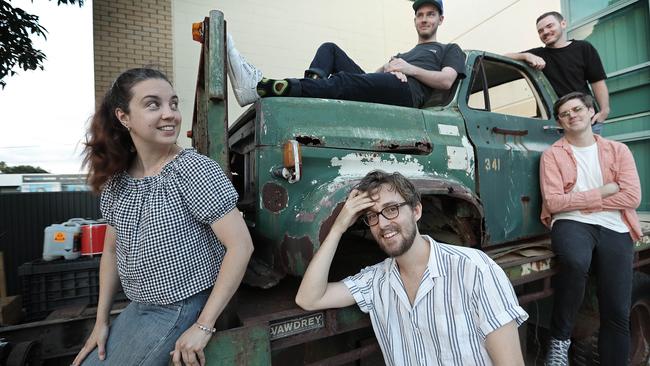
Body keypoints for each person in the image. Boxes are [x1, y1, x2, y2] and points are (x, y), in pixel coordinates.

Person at [72, 68, 254, 366]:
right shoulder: (118, 181)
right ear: (123, 117)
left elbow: (241, 246)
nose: (170, 114)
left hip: (180, 308)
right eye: (153, 104)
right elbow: (111, 250)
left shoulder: (194, 170)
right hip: (139, 306)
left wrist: (203, 325)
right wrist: (100, 321)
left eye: (173, 103)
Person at [295, 170, 529, 366]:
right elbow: (309, 298)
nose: (383, 223)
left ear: (416, 210)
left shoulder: (474, 269)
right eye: (372, 216)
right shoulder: (376, 280)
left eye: (391, 209)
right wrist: (338, 227)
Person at [539, 92, 642, 365]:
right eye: (565, 113)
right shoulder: (552, 156)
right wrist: (603, 192)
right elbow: (553, 202)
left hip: (614, 225)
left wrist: (581, 201)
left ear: (590, 111)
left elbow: (632, 197)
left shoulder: (618, 151)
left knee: (617, 310)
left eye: (577, 109)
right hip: (572, 222)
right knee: (575, 262)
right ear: (559, 122)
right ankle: (560, 341)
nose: (572, 115)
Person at [227, 0, 466, 109]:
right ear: (415, 19)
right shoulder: (404, 53)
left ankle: (260, 87)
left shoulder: (448, 49)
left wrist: (407, 69)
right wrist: (389, 67)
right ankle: (310, 92)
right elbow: (371, 80)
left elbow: (446, 80)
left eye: (430, 14)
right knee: (329, 48)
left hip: (409, 95)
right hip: (391, 84)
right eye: (420, 14)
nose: (424, 19)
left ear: (440, 19)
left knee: (344, 82)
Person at [505, 11, 609, 132]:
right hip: (555, 125)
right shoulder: (537, 54)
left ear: (563, 24)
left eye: (549, 26)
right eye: (540, 31)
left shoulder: (583, 48)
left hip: (586, 121)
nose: (545, 32)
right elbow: (503, 57)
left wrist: (604, 111)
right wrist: (525, 56)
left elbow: (597, 82)